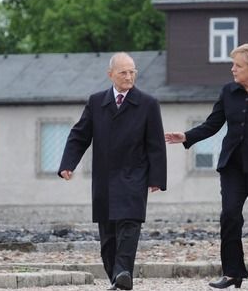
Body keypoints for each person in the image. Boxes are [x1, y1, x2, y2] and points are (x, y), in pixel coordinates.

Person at [165, 43, 248, 291]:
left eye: (237, 65)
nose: (232, 69)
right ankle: (233, 272)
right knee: (229, 216)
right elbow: (213, 124)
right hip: (233, 166)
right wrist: (186, 136)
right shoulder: (228, 92)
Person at [58, 52, 167, 291]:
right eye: (123, 72)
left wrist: (157, 178)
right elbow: (80, 135)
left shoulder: (148, 104)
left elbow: (156, 144)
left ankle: (123, 273)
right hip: (105, 179)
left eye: (132, 72)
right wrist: (68, 163)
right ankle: (116, 278)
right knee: (108, 238)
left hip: (134, 176)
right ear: (111, 75)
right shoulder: (97, 102)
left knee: (129, 226)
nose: (129, 77)